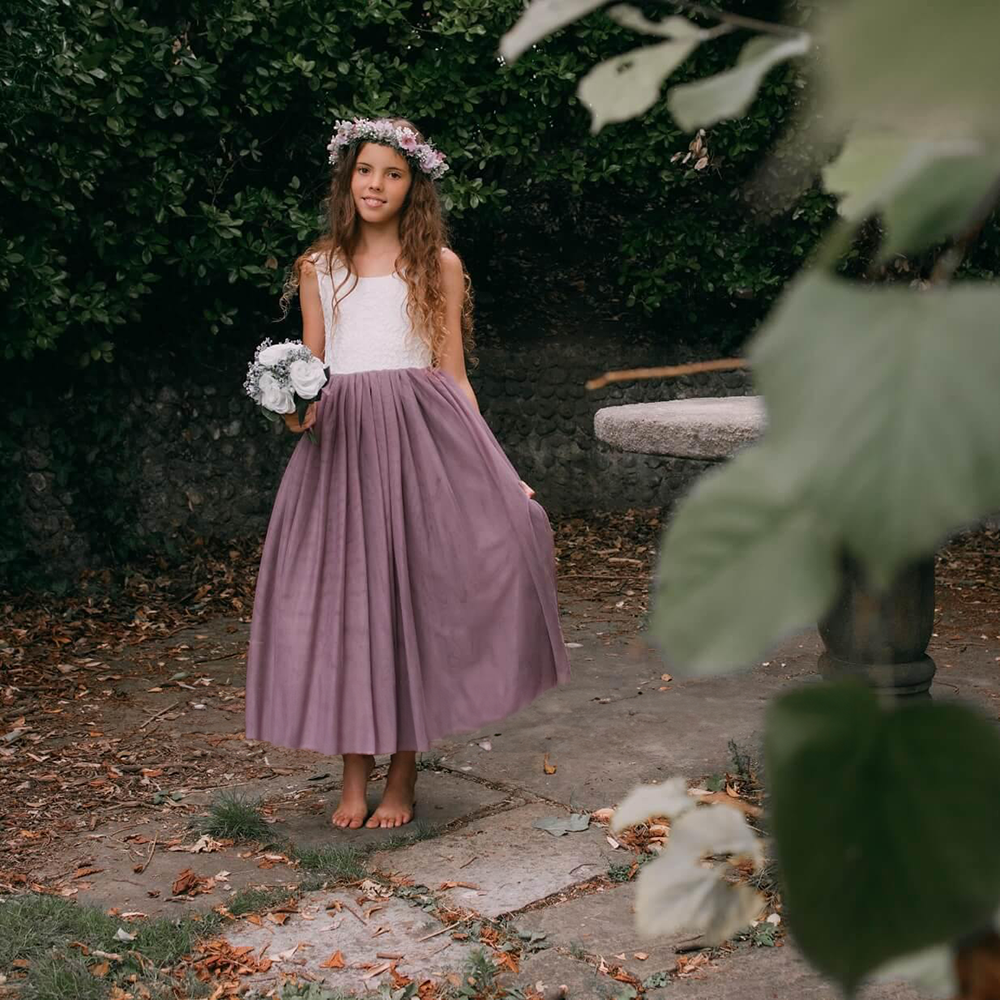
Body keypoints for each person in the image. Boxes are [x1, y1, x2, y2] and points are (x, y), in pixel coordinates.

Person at [244, 115, 571, 831]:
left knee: (413, 603)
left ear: (412, 185)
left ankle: (402, 773)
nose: (376, 185)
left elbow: (453, 376)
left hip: (422, 446)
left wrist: (499, 470)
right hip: (343, 455)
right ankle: (352, 774)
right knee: (348, 608)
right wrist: (293, 408)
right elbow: (313, 371)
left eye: (393, 174)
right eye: (366, 171)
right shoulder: (318, 267)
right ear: (347, 177)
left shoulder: (438, 267)